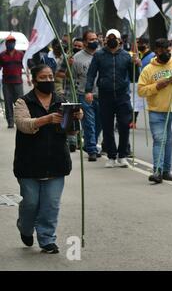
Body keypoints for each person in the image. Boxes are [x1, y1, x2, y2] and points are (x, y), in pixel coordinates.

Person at [13, 64, 83, 254]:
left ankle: (47, 239)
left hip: (56, 162)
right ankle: (25, 228)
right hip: (29, 164)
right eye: (43, 78)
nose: (48, 81)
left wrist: (76, 118)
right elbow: (23, 125)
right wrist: (46, 119)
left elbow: (72, 131)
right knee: (30, 203)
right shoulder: (23, 102)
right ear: (34, 81)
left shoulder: (63, 102)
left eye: (50, 76)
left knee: (51, 205)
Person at [85, 29, 141, 168]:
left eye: (113, 38)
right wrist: (88, 91)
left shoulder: (127, 56)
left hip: (123, 95)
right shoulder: (99, 55)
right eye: (108, 37)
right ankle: (111, 156)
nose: (111, 40)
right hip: (105, 95)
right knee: (107, 126)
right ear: (105, 40)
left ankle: (122, 155)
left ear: (119, 40)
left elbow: (135, 77)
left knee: (124, 125)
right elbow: (91, 74)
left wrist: (136, 64)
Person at [138, 38, 172, 183]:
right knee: (160, 140)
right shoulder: (148, 69)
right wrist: (157, 86)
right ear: (156, 51)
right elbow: (141, 90)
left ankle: (167, 170)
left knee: (169, 141)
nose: (166, 54)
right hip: (156, 111)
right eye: (162, 51)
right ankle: (157, 171)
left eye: (168, 51)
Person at [72, 30, 102, 162]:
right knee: (89, 123)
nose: (94, 41)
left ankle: (90, 144)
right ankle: (92, 149)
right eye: (91, 39)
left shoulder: (102, 55)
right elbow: (71, 77)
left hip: (101, 95)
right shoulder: (77, 58)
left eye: (95, 39)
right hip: (84, 94)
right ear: (84, 42)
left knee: (99, 123)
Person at [0, 35, 29, 128]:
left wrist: (28, 78)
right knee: (8, 103)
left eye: (12, 42)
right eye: (9, 42)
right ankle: (10, 121)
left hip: (18, 82)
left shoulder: (20, 54)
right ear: (6, 43)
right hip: (6, 83)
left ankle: (21, 121)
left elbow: (25, 66)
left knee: (20, 102)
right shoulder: (2, 55)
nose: (11, 43)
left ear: (14, 43)